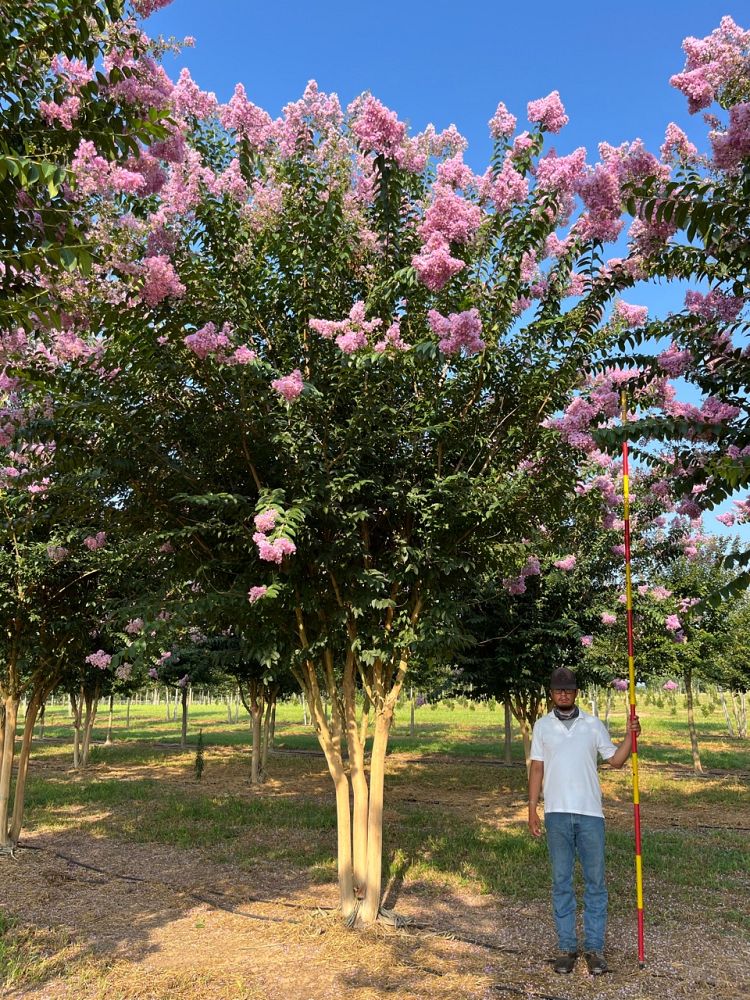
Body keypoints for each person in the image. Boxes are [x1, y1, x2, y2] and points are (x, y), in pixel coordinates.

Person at [528, 666, 641, 976]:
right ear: (550, 693)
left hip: (591, 815)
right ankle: (567, 948)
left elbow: (616, 762)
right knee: (561, 882)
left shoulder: (593, 725)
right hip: (557, 814)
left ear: (576, 692)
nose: (563, 693)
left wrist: (631, 737)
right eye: (557, 689)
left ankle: (594, 948)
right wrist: (532, 810)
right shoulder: (542, 727)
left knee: (595, 884)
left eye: (568, 689)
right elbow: (536, 769)